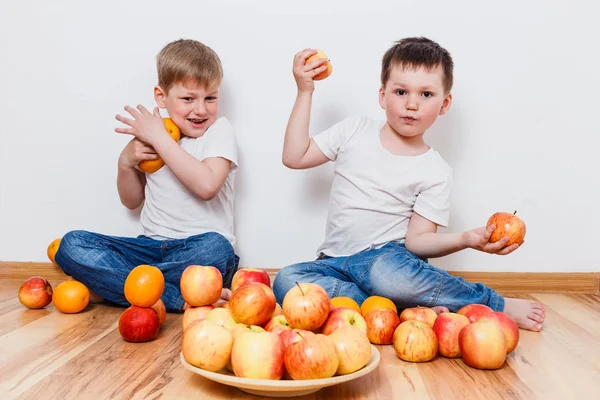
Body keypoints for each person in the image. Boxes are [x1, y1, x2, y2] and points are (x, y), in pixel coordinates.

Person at [273, 37, 545, 331]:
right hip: (335, 262)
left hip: (388, 261)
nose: (412, 104)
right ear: (382, 95)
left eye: (426, 94)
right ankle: (403, 310)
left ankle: (495, 303)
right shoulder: (354, 131)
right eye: (401, 91)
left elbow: (418, 241)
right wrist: (305, 91)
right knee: (286, 280)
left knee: (388, 276)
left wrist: (466, 239)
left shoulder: (435, 170)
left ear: (445, 103)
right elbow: (294, 156)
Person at [55, 39, 238, 313]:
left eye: (210, 98)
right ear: (161, 97)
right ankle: (179, 296)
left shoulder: (218, 131)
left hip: (198, 251)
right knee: (71, 244)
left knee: (217, 247)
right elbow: (131, 201)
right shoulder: (151, 140)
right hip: (148, 249)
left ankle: (118, 286)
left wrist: (159, 138)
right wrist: (126, 162)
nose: (201, 109)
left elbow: (207, 185)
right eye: (188, 99)